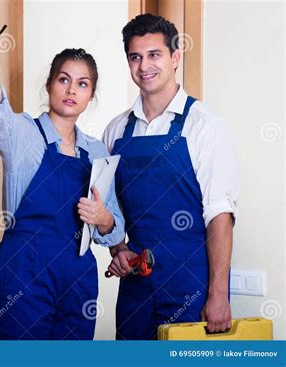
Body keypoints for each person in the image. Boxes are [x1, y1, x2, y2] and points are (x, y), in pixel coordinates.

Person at [0, 41, 125, 340]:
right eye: (63, 79)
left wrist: (102, 217)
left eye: (82, 84)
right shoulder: (23, 135)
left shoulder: (97, 152)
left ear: (90, 96)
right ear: (49, 84)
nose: (71, 90)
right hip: (23, 272)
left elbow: (114, 229)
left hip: (77, 275)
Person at [104, 14, 239, 340]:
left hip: (191, 284)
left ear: (175, 58)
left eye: (154, 55)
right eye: (135, 57)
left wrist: (218, 295)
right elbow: (108, 208)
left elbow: (220, 213)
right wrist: (118, 249)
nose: (144, 65)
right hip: (136, 283)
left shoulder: (205, 126)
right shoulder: (116, 130)